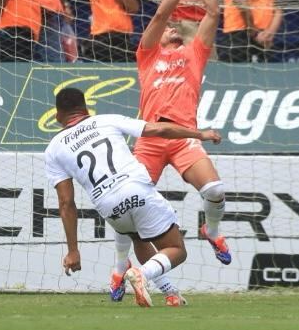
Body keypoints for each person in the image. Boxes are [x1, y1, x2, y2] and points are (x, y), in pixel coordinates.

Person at [117, 0, 232, 303]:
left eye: (176, 29)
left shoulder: (194, 54)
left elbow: (213, 15)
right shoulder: (147, 55)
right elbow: (156, 20)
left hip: (183, 139)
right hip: (150, 138)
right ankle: (130, 274)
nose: (172, 31)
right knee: (128, 211)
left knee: (214, 191)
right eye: (169, 29)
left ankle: (211, 231)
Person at [45, 85, 222, 307]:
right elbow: (159, 130)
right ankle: (141, 275)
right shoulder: (106, 120)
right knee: (176, 250)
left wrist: (73, 250)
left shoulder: (53, 149)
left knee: (138, 238)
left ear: (57, 114)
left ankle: (169, 291)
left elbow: (66, 203)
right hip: (135, 189)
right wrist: (200, 134)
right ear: (86, 109)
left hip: (107, 206)